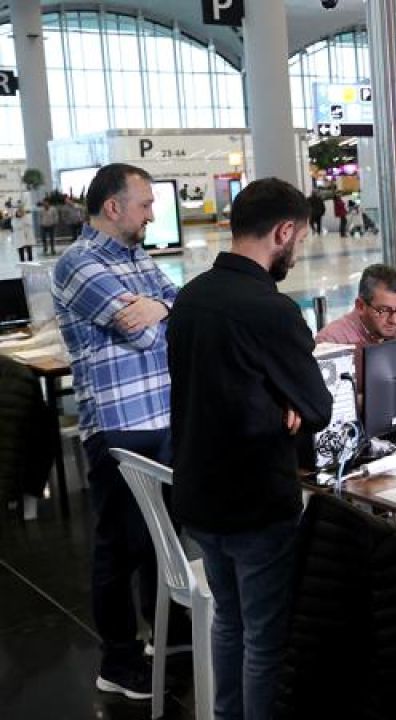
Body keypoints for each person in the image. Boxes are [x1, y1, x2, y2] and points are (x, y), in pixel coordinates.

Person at [168, 178, 333, 720]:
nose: (298, 248)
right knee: (266, 639)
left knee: (229, 623)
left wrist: (277, 398)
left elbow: (210, 391)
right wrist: (285, 402)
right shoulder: (270, 309)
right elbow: (317, 406)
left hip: (200, 497)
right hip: (257, 502)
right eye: (301, 237)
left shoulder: (190, 298)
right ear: (283, 230)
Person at [52, 163, 181, 701]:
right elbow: (143, 334)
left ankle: (165, 645)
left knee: (159, 542)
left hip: (162, 416)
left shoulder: (136, 257)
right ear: (113, 207)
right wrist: (160, 312)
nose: (153, 213)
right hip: (117, 425)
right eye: (146, 204)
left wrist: (163, 308)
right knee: (120, 547)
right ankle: (118, 661)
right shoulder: (78, 265)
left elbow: (182, 308)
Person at [315, 263, 396, 388]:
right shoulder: (331, 342)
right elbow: (332, 405)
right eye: (383, 310)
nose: (394, 320)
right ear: (360, 306)